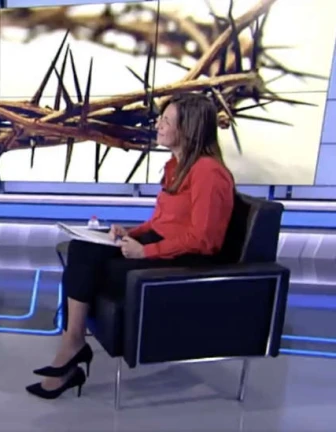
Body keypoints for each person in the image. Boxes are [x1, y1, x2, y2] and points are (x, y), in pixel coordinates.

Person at [26, 92, 236, 399]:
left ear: (189, 128)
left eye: (167, 121)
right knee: (82, 248)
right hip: (164, 246)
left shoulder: (208, 172)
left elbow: (205, 240)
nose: (158, 125)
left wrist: (145, 251)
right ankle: (73, 342)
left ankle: (71, 351)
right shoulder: (176, 165)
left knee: (97, 268)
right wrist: (130, 233)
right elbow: (162, 221)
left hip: (186, 260)